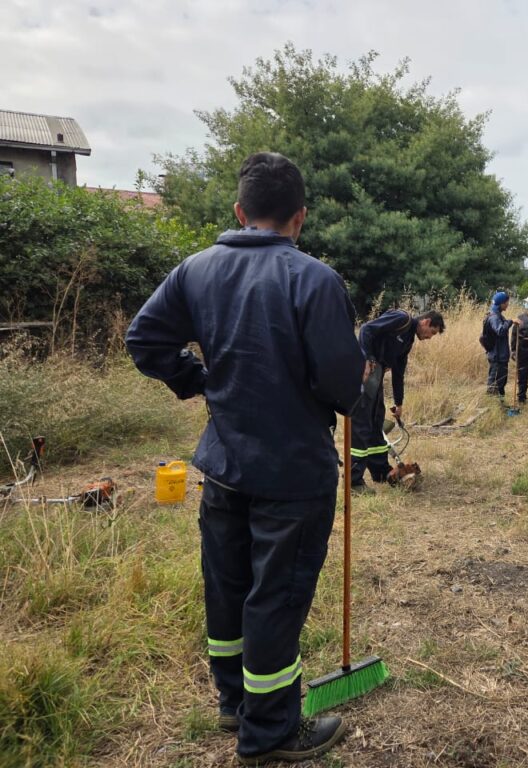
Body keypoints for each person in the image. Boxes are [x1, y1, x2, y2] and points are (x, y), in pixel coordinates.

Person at [126, 152, 364, 764]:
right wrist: (346, 385)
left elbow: (144, 338)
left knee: (228, 588)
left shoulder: (196, 269)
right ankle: (270, 732)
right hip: (294, 473)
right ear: (299, 217)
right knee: (275, 600)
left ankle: (235, 703)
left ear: (239, 211)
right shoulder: (315, 279)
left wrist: (198, 380)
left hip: (225, 466)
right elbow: (343, 386)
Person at [352, 308, 445, 489]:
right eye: (432, 332)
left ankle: (380, 472)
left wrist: (399, 402)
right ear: (426, 322)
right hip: (365, 373)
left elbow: (398, 373)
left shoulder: (408, 340)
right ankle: (354, 481)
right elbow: (366, 329)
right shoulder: (402, 319)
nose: (430, 337)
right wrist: (367, 359)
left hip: (376, 375)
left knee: (376, 422)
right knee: (362, 425)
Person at [484, 291, 519, 398]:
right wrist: (511, 321)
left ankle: (501, 402)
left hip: (500, 356)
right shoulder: (494, 317)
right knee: (494, 382)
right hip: (497, 356)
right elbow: (500, 330)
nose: (508, 304)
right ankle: (491, 403)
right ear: (502, 303)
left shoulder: (497, 315)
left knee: (501, 382)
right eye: (507, 302)